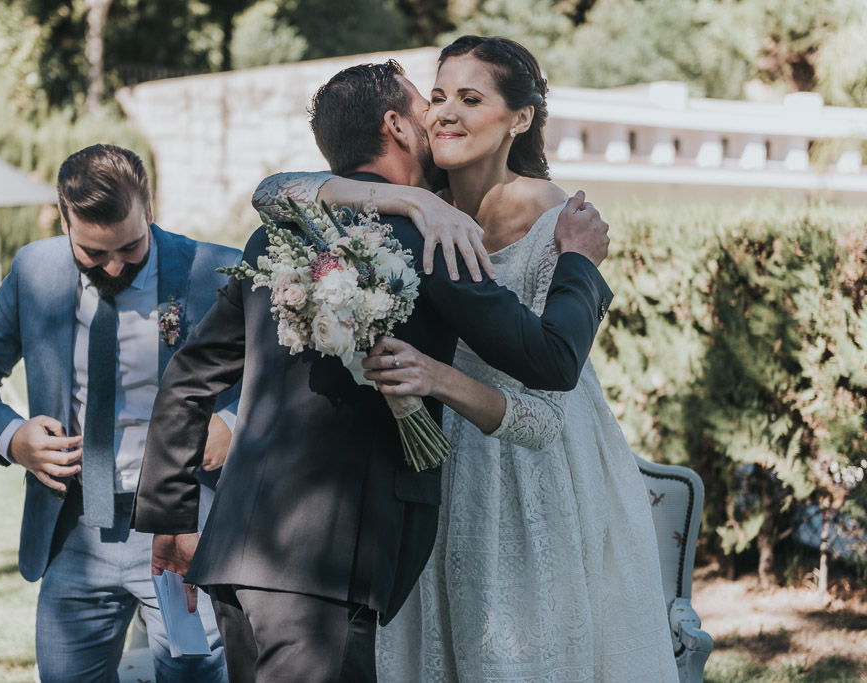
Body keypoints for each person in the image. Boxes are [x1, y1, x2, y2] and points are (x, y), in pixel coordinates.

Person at [132, 59, 613, 683]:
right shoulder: (434, 241)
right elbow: (549, 359)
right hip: (326, 572)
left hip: (236, 559)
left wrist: (170, 519)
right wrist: (580, 264)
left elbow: (189, 379)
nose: (439, 118)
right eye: (426, 107)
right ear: (398, 127)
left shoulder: (275, 240)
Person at [252, 36, 679, 682]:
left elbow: (543, 414)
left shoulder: (558, 222)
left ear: (520, 118)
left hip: (533, 471)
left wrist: (439, 377)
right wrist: (411, 199)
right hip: (433, 463)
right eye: (440, 95)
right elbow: (274, 191)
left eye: (471, 98)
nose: (445, 112)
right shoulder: (424, 208)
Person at [0, 144, 240, 682]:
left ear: (149, 211)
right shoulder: (34, 270)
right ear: (64, 220)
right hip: (76, 532)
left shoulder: (212, 270)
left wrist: (234, 421)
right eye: (92, 252)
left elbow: (284, 373)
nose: (112, 266)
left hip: (181, 525)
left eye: (129, 248)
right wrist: (14, 437)